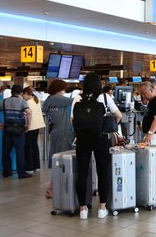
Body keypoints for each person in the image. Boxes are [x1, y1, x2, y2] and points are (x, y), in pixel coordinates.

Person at [75, 73, 122, 220]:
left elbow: (73, 118)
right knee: (103, 172)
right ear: (98, 85)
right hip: (100, 138)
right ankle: (102, 208)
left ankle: (83, 209)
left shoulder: (77, 98)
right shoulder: (105, 98)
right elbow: (119, 115)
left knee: (82, 172)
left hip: (82, 139)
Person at [0, 85, 32, 179]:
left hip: (7, 129)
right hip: (19, 130)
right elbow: (29, 112)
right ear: (21, 93)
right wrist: (28, 124)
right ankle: (21, 173)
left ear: (11, 92)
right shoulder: (22, 101)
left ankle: (6, 172)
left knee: (6, 152)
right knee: (20, 152)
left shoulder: (5, 101)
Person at [43, 79, 77, 168]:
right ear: (60, 89)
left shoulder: (49, 99)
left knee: (56, 153)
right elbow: (75, 101)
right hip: (63, 131)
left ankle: (54, 178)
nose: (64, 91)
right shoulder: (58, 98)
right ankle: (61, 177)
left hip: (55, 130)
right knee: (63, 156)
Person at [22, 86, 45, 173]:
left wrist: (27, 125)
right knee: (34, 145)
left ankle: (29, 167)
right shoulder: (36, 100)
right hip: (37, 125)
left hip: (31, 126)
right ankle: (36, 165)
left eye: (23, 94)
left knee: (28, 146)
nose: (22, 96)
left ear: (26, 94)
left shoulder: (27, 102)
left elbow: (28, 114)